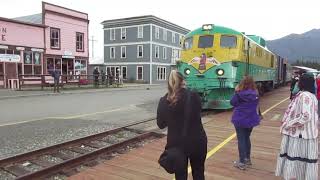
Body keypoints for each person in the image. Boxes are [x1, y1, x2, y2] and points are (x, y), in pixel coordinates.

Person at [157, 70, 207, 180]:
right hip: (197, 141)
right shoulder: (193, 95)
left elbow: (161, 124)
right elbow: (198, 111)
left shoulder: (164, 100)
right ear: (183, 81)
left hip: (176, 144)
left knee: (180, 176)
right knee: (198, 171)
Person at [275, 73, 318, 180]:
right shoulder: (311, 96)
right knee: (303, 162)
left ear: (302, 82)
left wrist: (288, 124)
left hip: (300, 135)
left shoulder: (304, 96)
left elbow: (306, 116)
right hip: (307, 134)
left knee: (295, 160)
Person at [230, 76, 261, 170]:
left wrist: (236, 92)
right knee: (247, 138)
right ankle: (247, 159)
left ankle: (242, 162)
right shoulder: (255, 93)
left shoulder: (239, 94)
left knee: (241, 139)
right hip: (251, 119)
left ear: (242, 83)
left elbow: (232, 102)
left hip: (240, 119)